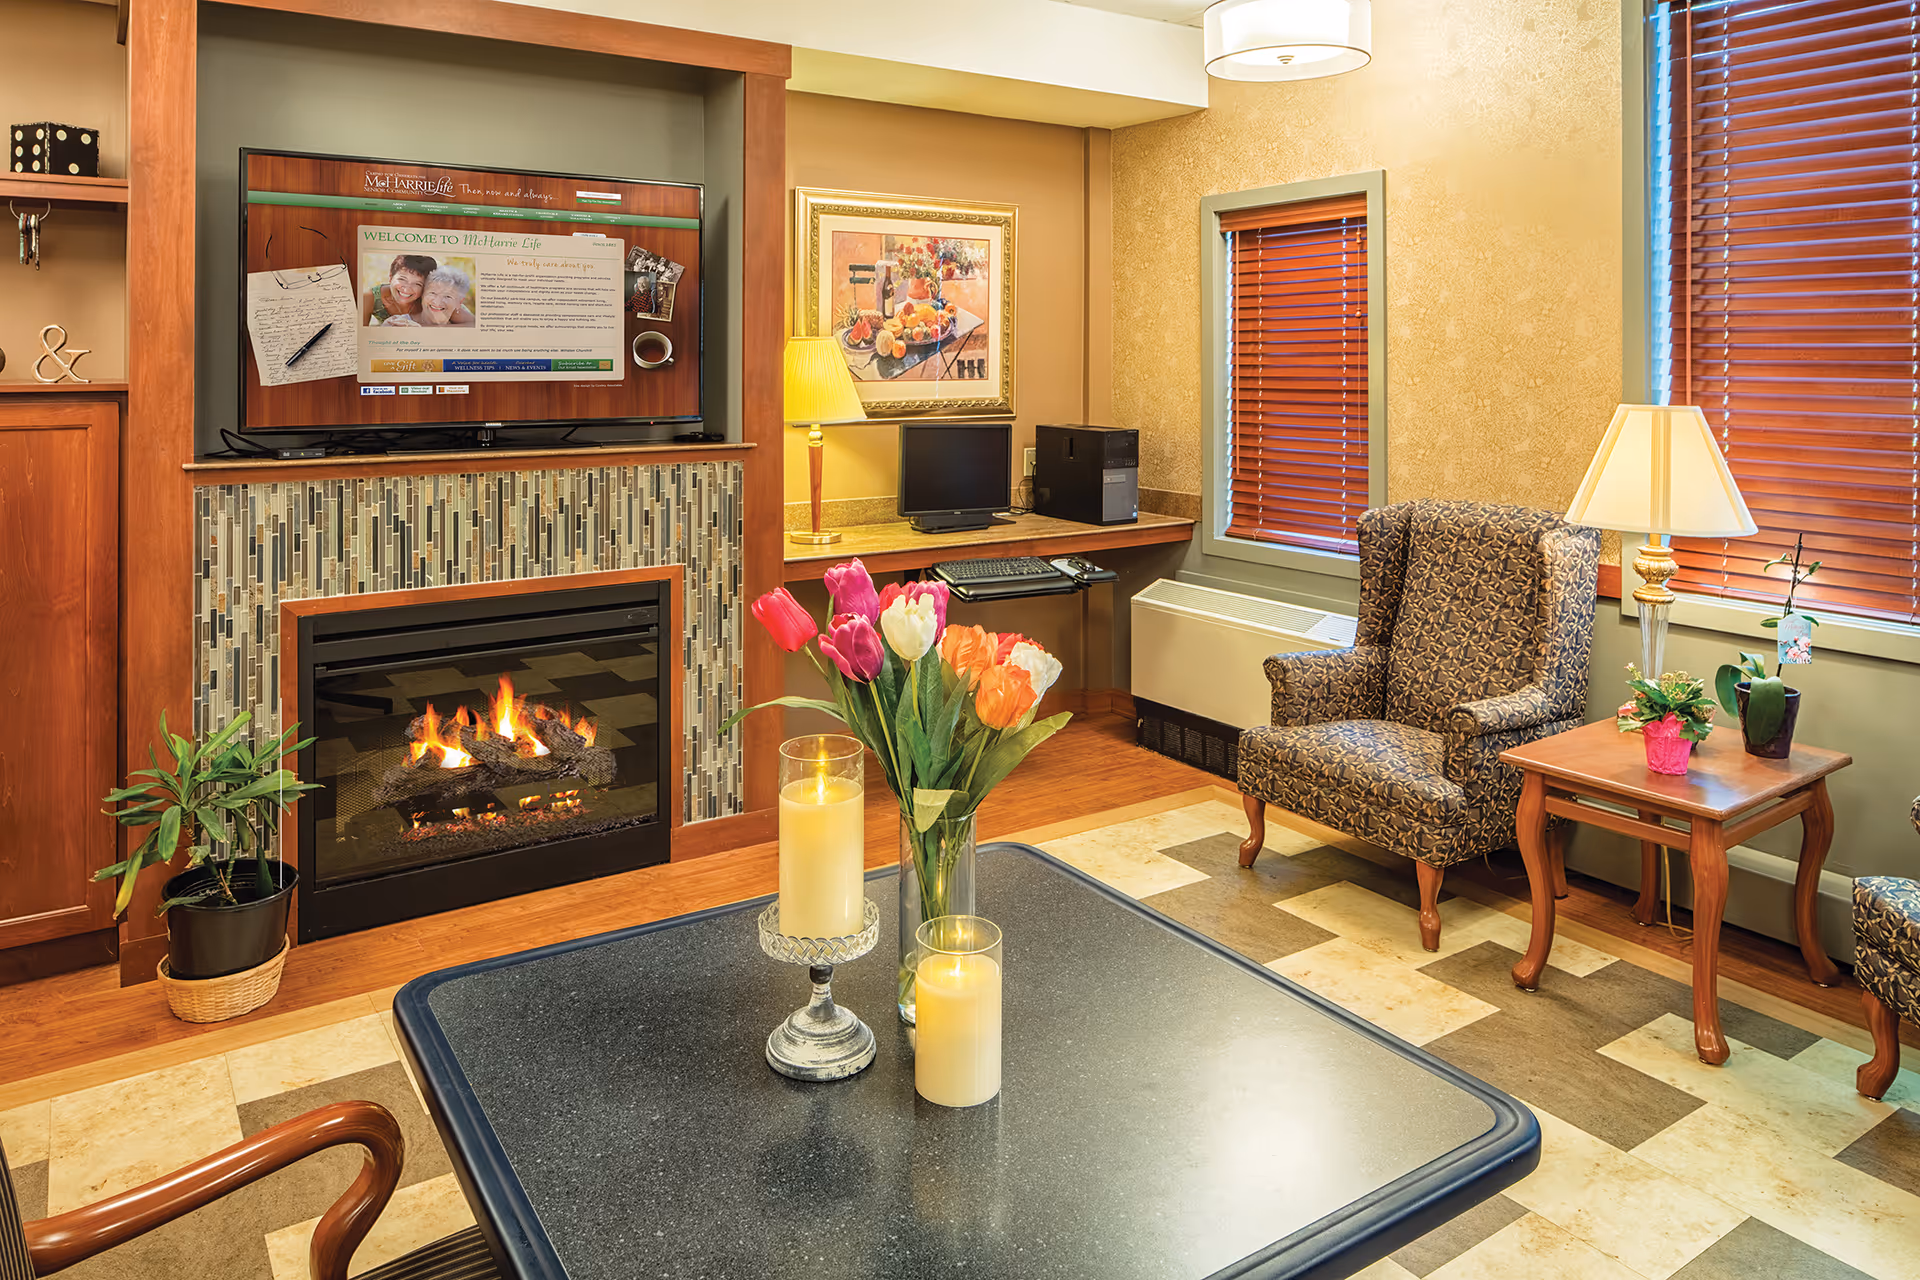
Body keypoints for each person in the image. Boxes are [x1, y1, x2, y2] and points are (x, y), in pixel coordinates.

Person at [383, 266, 476, 328]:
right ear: (423, 294)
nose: (437, 302)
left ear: (459, 303)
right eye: (432, 293)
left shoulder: (467, 327)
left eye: (447, 296)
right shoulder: (397, 323)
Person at [361, 254, 437, 325]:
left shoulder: (431, 300)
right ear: (390, 277)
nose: (406, 289)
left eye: (418, 284)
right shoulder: (370, 297)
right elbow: (359, 332)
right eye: (402, 279)